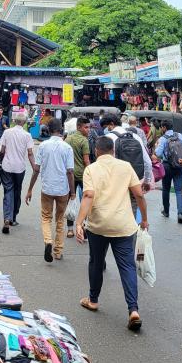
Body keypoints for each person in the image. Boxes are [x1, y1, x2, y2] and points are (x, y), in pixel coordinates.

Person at [75, 135, 147, 332]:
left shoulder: (91, 169)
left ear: (97, 151)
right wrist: (145, 219)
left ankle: (93, 299)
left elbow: (88, 195)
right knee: (127, 267)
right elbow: (139, 194)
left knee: (96, 263)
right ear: (113, 151)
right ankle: (133, 310)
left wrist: (79, 222)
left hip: (98, 225)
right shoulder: (125, 166)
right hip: (123, 225)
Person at [26, 118, 75, 262]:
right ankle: (58, 251)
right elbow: (70, 172)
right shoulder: (67, 148)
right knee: (60, 220)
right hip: (63, 190)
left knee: (46, 218)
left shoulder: (43, 146)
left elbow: (36, 169)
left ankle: (48, 241)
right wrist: (72, 193)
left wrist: (30, 189)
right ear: (61, 130)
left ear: (48, 129)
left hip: (47, 188)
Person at [0, 111, 36, 234]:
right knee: (17, 191)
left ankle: (7, 218)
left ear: (14, 121)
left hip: (7, 167)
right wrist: (35, 167)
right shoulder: (27, 135)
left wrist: (0, 161)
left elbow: (2, 150)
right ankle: (13, 218)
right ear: (24, 123)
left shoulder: (7, 132)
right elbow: (30, 153)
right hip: (20, 168)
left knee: (8, 191)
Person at [154, 119, 182, 223]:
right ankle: (180, 213)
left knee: (166, 189)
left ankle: (166, 211)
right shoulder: (180, 136)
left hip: (167, 166)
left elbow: (158, 153)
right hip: (180, 165)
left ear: (164, 128)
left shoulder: (163, 139)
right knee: (179, 190)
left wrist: (156, 148)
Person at [66, 118, 92, 203]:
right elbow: (86, 160)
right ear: (78, 127)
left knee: (67, 198)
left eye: (89, 127)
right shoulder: (84, 140)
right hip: (81, 174)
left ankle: (62, 215)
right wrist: (92, 174)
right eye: (86, 127)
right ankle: (84, 215)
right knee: (86, 198)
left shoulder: (68, 139)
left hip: (69, 174)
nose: (89, 130)